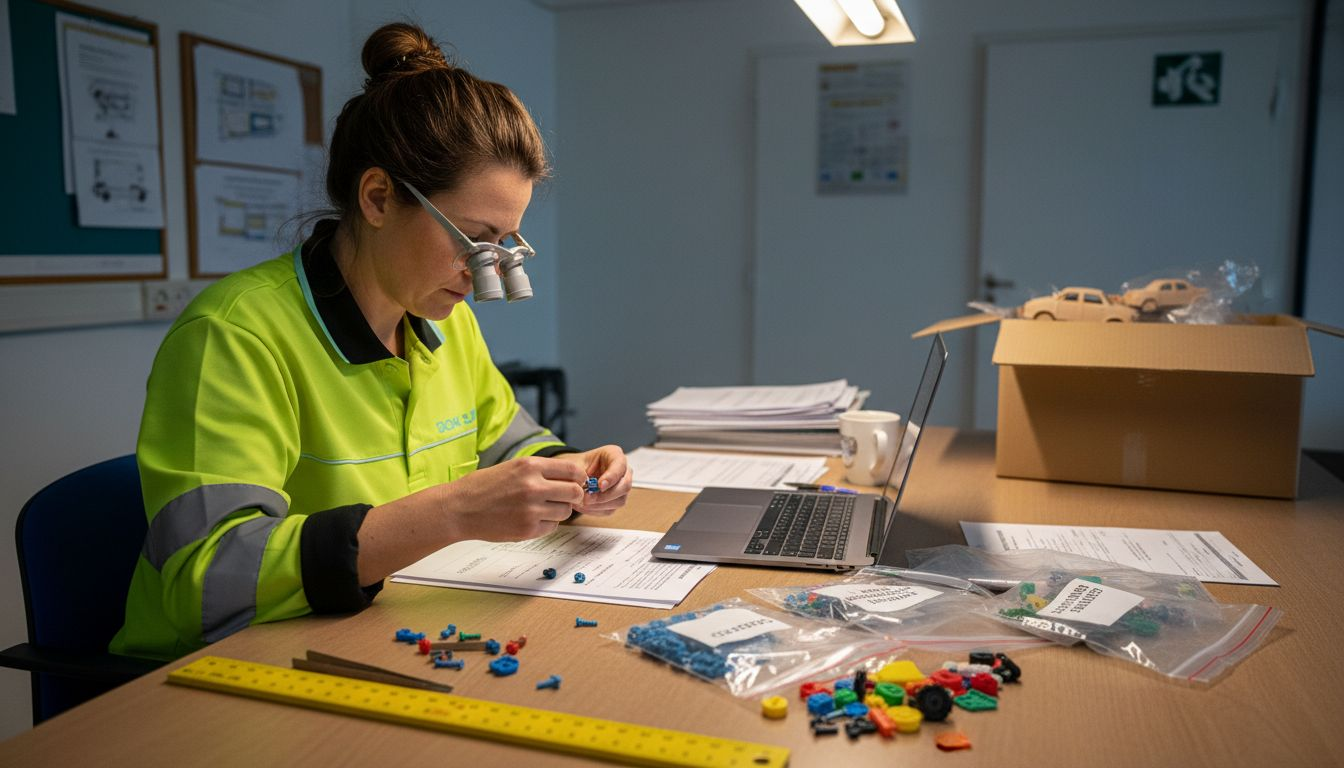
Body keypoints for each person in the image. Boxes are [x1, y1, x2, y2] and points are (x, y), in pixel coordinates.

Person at [111, 22, 633, 660]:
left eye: (504, 245)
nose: (486, 271)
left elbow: (515, 445)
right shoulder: (234, 334)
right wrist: (453, 512)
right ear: (379, 197)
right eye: (475, 239)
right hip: (211, 678)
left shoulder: (446, 321)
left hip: (373, 638)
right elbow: (208, 586)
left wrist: (579, 472)